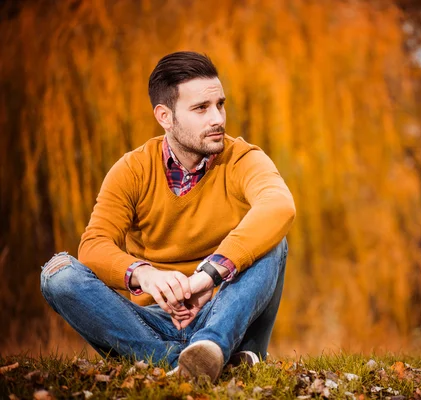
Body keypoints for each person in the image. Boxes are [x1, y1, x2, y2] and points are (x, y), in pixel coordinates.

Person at [39, 51, 296, 382]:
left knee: (274, 242)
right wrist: (145, 275)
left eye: (220, 104)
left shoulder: (242, 159)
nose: (217, 118)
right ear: (165, 116)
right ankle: (183, 361)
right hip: (153, 323)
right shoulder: (132, 170)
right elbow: (94, 244)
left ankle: (208, 348)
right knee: (58, 275)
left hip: (227, 314)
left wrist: (209, 276)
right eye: (201, 108)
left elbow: (278, 205)